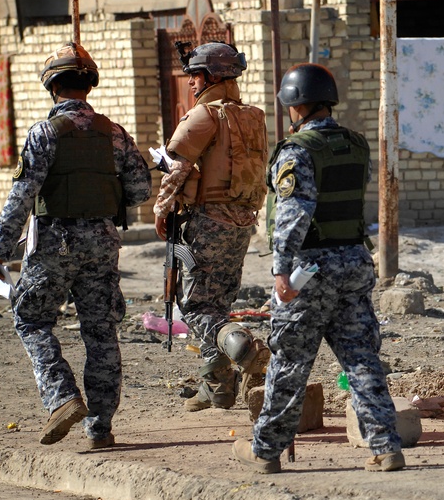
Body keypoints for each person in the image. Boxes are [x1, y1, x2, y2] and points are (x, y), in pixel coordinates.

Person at [233, 63, 405, 474]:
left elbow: (294, 213)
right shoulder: (356, 144)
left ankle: (266, 451)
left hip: (310, 270)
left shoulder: (297, 151)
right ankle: (385, 447)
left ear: (295, 104)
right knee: (362, 358)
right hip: (353, 263)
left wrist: (280, 270)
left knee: (289, 363)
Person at [0, 42, 152, 449]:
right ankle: (100, 428)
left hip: (54, 246)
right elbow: (140, 190)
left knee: (31, 319)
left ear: (52, 87)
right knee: (101, 332)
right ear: (88, 86)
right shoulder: (115, 133)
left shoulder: (44, 133)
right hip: (103, 244)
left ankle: (61, 398)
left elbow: (23, 195)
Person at [153, 42, 270, 412]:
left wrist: (161, 209)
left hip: (208, 222)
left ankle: (243, 346)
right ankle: (216, 387)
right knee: (218, 301)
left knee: (196, 307)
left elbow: (177, 169)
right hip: (242, 223)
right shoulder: (253, 116)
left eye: (195, 75)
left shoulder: (203, 115)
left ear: (211, 77)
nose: (190, 83)